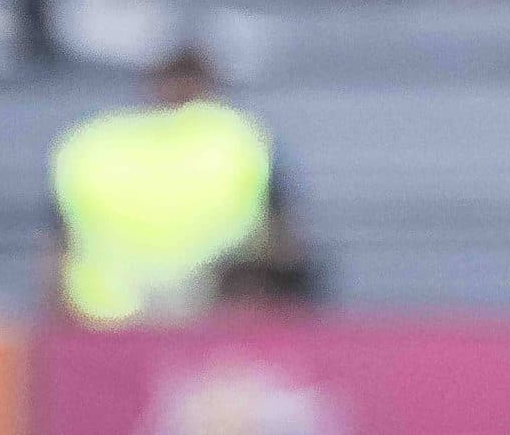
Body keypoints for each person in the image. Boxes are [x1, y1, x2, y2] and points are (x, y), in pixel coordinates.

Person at [49, 46, 314, 325]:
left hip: (107, 316)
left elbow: (57, 248)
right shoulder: (239, 139)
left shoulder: (92, 144)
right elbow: (282, 242)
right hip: (212, 315)